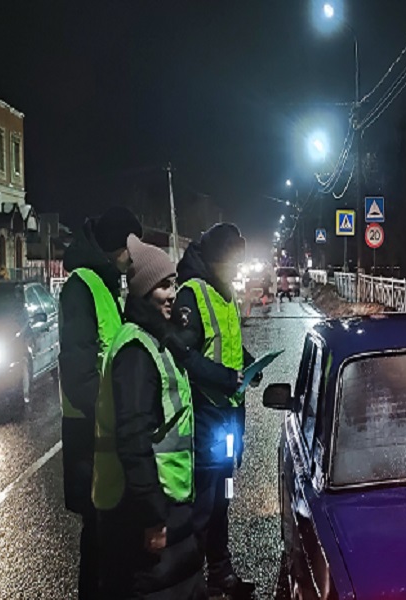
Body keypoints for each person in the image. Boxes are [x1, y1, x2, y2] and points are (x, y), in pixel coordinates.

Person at [93, 235, 205, 599]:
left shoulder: (155, 340)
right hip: (146, 513)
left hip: (169, 506)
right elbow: (133, 438)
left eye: (173, 283)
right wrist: (153, 516)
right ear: (142, 291)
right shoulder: (136, 352)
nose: (172, 293)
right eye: (162, 286)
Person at [58, 206, 142, 598]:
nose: (134, 254)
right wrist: (117, 416)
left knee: (111, 538)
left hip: (103, 434)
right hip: (88, 438)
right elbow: (78, 376)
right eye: (131, 246)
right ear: (115, 246)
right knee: (98, 539)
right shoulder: (82, 286)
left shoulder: (106, 283)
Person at [171, 223, 258, 599]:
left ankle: (221, 573)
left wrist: (250, 366)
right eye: (233, 263)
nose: (237, 271)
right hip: (208, 418)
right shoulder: (193, 293)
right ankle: (191, 585)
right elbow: (183, 354)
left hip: (230, 418)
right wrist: (225, 378)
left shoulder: (224, 294)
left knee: (224, 496)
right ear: (218, 258)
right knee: (204, 506)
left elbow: (226, 345)